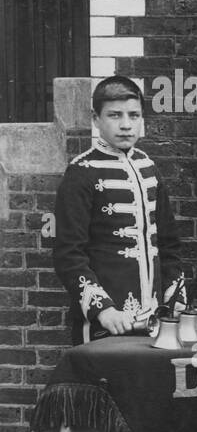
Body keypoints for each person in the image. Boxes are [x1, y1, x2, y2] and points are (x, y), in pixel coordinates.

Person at [53, 76, 185, 343]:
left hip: (156, 319)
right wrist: (102, 309)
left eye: (134, 115)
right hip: (106, 322)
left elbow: (169, 244)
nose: (126, 125)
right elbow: (69, 253)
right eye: (115, 115)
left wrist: (175, 296)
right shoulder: (81, 172)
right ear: (95, 118)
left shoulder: (149, 168)